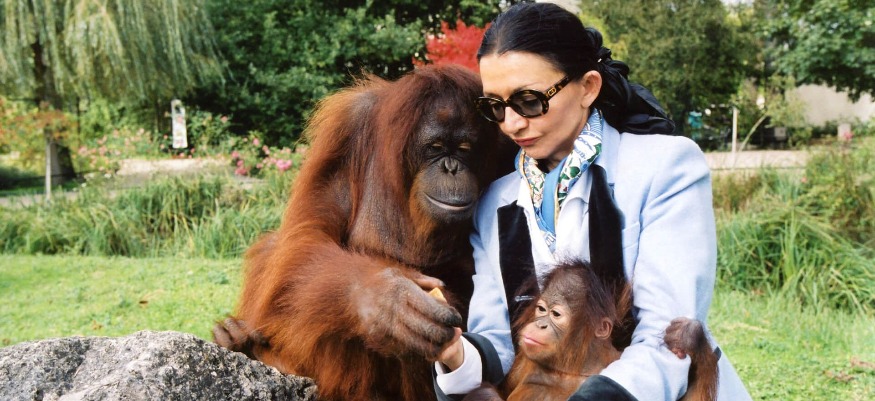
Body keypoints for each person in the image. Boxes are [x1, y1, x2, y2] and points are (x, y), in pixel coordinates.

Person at [433, 3, 752, 401]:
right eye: (495, 107)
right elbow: (498, 340)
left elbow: (668, 339)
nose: (512, 124)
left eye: (529, 100)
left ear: (588, 87)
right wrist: (453, 352)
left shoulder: (665, 168)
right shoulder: (495, 202)